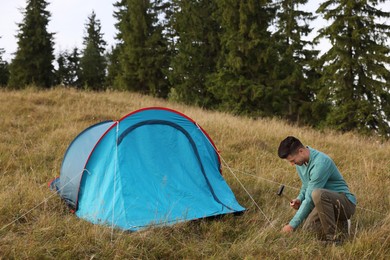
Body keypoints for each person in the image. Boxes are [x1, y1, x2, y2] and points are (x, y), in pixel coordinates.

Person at [277, 136, 356, 244]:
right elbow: (306, 186)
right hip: (323, 203)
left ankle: (333, 239)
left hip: (345, 203)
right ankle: (339, 225)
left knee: (317, 194)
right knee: (307, 231)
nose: (292, 164)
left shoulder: (321, 163)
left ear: (301, 151)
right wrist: (299, 199)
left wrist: (291, 225)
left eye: (293, 160)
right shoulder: (300, 163)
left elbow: (310, 198)